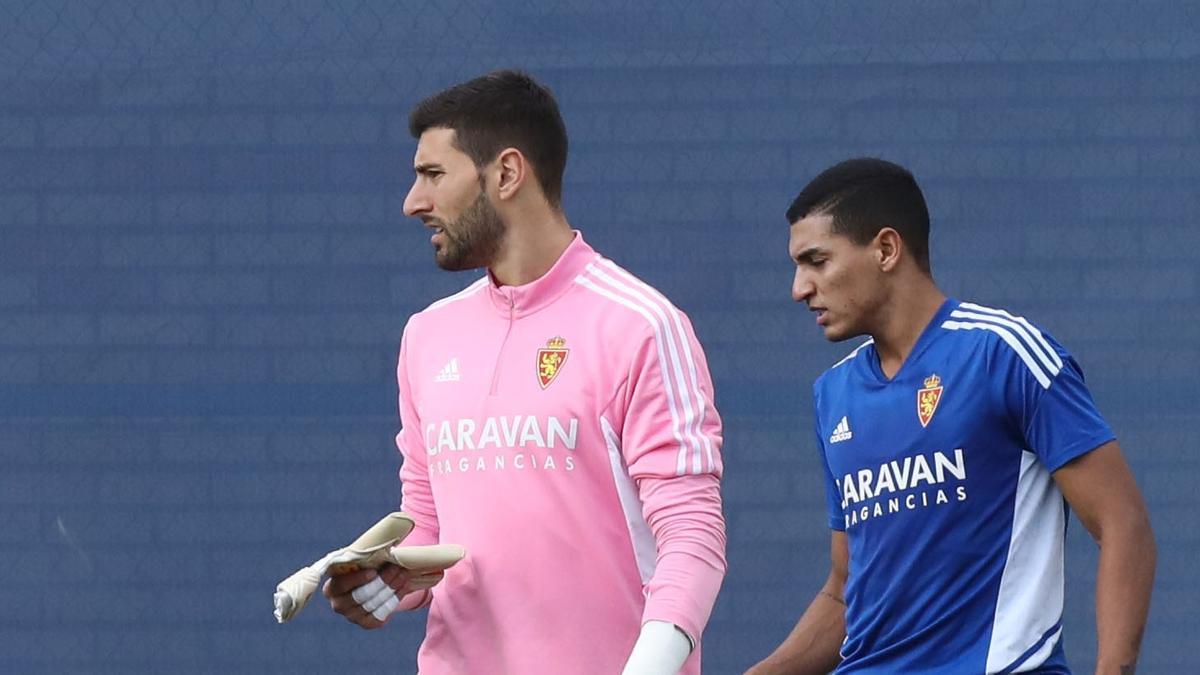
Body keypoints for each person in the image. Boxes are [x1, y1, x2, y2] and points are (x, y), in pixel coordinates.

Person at [321, 70, 727, 675]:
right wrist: (382, 581)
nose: (414, 203)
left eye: (433, 175)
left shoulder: (641, 324)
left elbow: (693, 540)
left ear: (506, 173)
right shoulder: (426, 336)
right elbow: (428, 522)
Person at [746, 158, 1155, 674]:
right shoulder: (833, 394)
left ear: (886, 249)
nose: (799, 288)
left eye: (817, 261)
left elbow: (1124, 524)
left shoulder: (1004, 354)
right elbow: (845, 593)